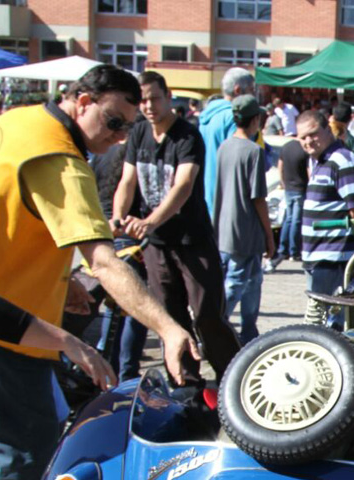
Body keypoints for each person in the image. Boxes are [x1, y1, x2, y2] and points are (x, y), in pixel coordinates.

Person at [0, 66, 199, 480]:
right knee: (26, 456)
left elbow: (9, 228)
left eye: (130, 127)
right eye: (111, 122)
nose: (117, 137)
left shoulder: (13, 124)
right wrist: (165, 327)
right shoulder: (61, 160)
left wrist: (60, 288)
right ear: (80, 101)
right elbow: (103, 259)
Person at [114, 71, 241, 385]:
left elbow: (183, 185)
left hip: (193, 240)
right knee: (169, 317)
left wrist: (149, 221)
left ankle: (232, 378)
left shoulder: (187, 135)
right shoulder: (139, 132)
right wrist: (118, 217)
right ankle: (185, 383)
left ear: (168, 97)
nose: (148, 105)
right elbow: (127, 181)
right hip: (156, 245)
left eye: (154, 98)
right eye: (142, 100)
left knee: (207, 314)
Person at [215, 95, 275, 344]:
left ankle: (249, 330)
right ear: (256, 120)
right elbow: (258, 198)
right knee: (238, 281)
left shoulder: (225, 146)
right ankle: (215, 323)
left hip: (223, 226)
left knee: (252, 280)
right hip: (246, 230)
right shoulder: (254, 152)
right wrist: (269, 236)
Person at [91, 137, 149, 381]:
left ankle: (109, 368)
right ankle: (127, 373)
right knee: (136, 308)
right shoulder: (131, 155)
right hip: (129, 236)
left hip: (104, 236)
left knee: (112, 307)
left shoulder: (100, 153)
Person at [298, 109, 354, 302]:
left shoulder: (343, 160)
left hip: (335, 259)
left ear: (327, 130)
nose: (308, 141)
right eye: (303, 137)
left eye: (313, 134)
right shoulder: (321, 162)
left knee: (328, 326)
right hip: (321, 259)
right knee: (321, 323)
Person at [198, 67, 254, 214]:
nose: (253, 95)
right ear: (238, 90)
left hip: (206, 192)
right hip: (227, 197)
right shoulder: (233, 116)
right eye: (251, 90)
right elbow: (237, 157)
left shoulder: (207, 116)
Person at [276, 135, 308, 264]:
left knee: (288, 219)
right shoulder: (304, 149)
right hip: (300, 188)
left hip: (288, 188)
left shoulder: (286, 146)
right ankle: (294, 251)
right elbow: (308, 170)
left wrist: (282, 182)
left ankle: (283, 249)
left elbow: (280, 165)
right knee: (296, 220)